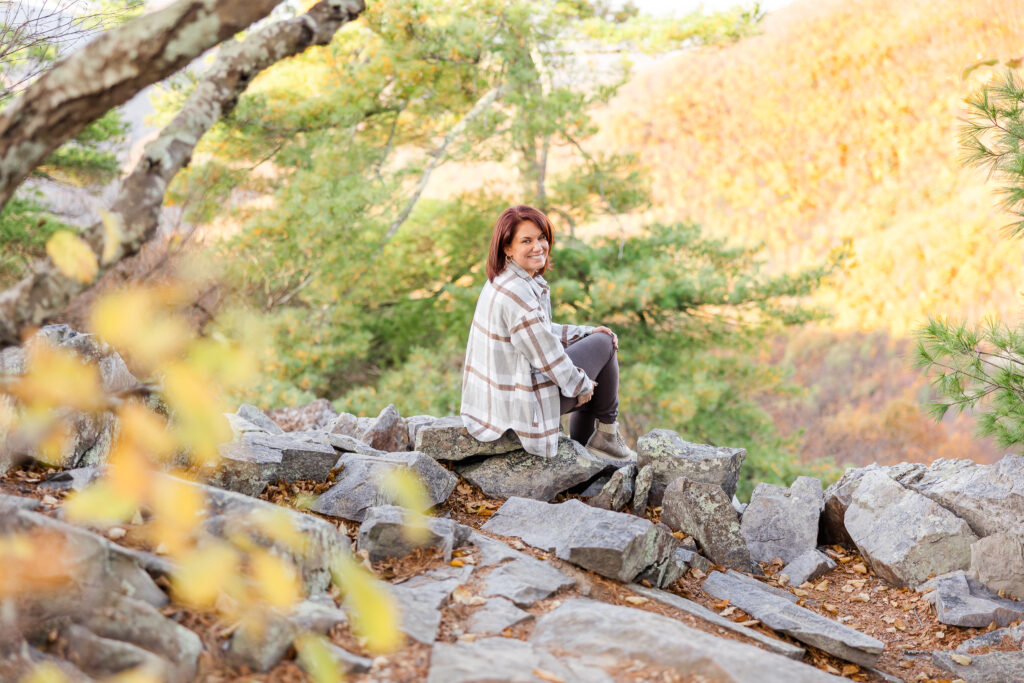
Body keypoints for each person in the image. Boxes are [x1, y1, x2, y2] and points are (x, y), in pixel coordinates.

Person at [460, 204, 635, 461]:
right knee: (604, 344)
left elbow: (536, 332)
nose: (538, 246)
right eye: (526, 240)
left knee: (594, 345)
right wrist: (581, 385)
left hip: (494, 402)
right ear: (507, 248)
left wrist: (583, 333)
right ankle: (604, 436)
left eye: (541, 237)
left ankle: (589, 447)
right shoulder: (516, 294)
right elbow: (548, 357)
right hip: (519, 407)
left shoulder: (504, 280)